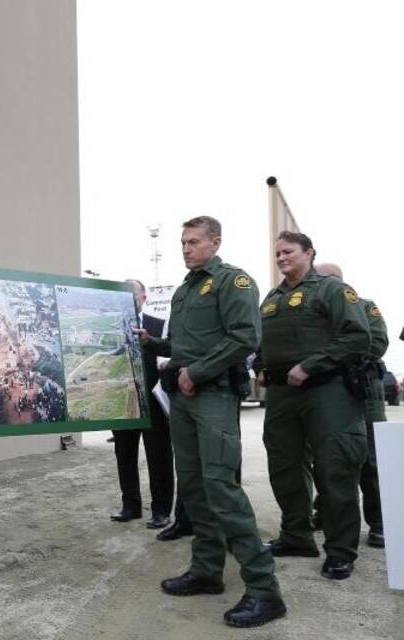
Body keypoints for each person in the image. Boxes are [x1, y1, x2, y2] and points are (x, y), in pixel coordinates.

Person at [136, 216, 285, 628]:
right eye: (182, 241)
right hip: (184, 398)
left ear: (214, 243)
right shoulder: (186, 289)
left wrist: (197, 372)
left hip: (213, 395)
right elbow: (186, 345)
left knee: (222, 488)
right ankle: (206, 571)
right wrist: (154, 344)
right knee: (196, 486)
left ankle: (263, 589)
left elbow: (244, 337)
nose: (185, 248)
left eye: (193, 241)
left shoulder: (232, 282)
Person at [256, 235, 370, 581]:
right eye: (277, 253)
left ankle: (340, 551)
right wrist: (260, 366)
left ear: (309, 253)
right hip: (281, 396)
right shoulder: (272, 299)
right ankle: (296, 536)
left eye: (288, 251)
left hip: (326, 392)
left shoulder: (332, 290)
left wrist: (310, 365)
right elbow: (264, 342)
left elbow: (357, 337)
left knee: (334, 469)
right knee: (284, 466)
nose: (281, 257)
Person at [307, 262, 388, 549]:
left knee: (370, 460)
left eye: (317, 278)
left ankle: (379, 523)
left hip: (362, 391)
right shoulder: (310, 312)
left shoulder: (364, 307)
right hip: (328, 394)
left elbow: (375, 343)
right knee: (330, 457)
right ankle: (325, 511)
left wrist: (329, 356)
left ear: (335, 282)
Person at [110, 279, 174, 529]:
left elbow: (169, 356)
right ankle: (130, 506)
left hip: (153, 401)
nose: (127, 298)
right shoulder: (113, 327)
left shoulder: (158, 325)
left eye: (132, 294)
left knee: (159, 455)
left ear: (144, 297)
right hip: (123, 400)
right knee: (124, 454)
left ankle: (161, 510)